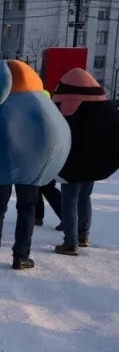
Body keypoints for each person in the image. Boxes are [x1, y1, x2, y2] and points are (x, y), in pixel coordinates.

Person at [0, 60, 70, 272]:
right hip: (31, 166)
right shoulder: (38, 101)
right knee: (27, 209)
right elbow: (57, 132)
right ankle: (21, 256)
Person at [51, 68, 119, 255]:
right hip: (93, 164)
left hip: (71, 164)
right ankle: (83, 236)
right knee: (84, 197)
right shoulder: (106, 109)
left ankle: (70, 242)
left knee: (69, 200)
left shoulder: (65, 109)